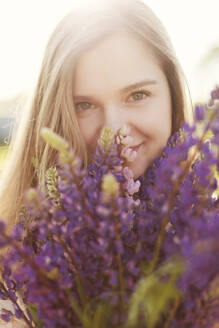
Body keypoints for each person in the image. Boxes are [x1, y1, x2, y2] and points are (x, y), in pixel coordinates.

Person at [0, 0, 193, 325]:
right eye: (84, 104)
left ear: (172, 95)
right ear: (53, 113)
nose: (114, 131)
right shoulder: (14, 268)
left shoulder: (206, 244)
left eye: (138, 95)